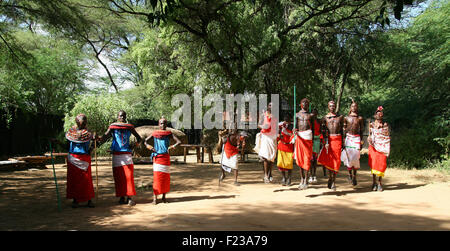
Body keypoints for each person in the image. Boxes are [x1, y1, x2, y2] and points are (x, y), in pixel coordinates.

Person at [98, 110, 142, 206]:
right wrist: (97, 142)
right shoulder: (113, 127)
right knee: (119, 177)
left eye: (124, 116)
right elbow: (105, 137)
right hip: (116, 155)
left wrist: (133, 146)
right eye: (120, 116)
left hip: (126, 155)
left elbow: (139, 138)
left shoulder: (129, 127)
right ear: (117, 117)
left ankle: (129, 197)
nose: (122, 118)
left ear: (125, 117)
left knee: (128, 176)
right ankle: (122, 197)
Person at [144, 117, 181, 204]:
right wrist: (150, 147)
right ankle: (155, 198)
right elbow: (145, 141)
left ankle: (164, 197)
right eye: (161, 123)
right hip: (157, 158)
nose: (163, 125)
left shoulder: (169, 133)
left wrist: (171, 147)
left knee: (165, 178)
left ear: (166, 124)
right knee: (157, 178)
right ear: (158, 124)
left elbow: (178, 141)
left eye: (164, 123)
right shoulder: (155, 133)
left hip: (165, 157)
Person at [63, 114, 96, 208]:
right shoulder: (70, 132)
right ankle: (75, 199)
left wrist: (91, 149)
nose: (83, 124)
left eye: (84, 123)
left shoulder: (89, 133)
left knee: (87, 180)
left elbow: (96, 142)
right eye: (81, 123)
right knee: (74, 180)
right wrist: (57, 142)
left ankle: (89, 199)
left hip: (84, 158)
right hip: (73, 158)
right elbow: (66, 146)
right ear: (77, 122)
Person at [318, 101, 344, 191]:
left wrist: (343, 143)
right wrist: (325, 142)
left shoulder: (340, 117)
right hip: (329, 141)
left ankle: (333, 181)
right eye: (330, 106)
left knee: (336, 160)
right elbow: (322, 131)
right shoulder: (325, 118)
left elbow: (342, 131)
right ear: (328, 107)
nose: (332, 107)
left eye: (333, 106)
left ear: (335, 107)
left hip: (338, 140)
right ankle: (330, 177)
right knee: (330, 161)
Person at [292, 98, 314, 190]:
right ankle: (302, 179)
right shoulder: (297, 115)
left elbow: (313, 128)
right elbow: (295, 126)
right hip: (300, 137)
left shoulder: (311, 115)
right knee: (300, 158)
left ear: (308, 105)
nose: (305, 103)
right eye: (303, 102)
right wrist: (294, 130)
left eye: (307, 102)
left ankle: (306, 180)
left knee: (307, 158)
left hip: (308, 137)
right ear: (300, 104)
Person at [341, 100, 364, 186]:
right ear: (350, 108)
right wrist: (343, 141)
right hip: (348, 138)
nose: (354, 108)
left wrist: (361, 142)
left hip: (356, 139)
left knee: (356, 158)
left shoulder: (360, 118)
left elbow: (361, 130)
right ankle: (350, 175)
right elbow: (344, 130)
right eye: (352, 106)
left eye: (355, 106)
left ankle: (354, 175)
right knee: (349, 158)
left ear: (357, 108)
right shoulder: (346, 118)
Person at [254, 102, 278, 183]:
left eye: (273, 106)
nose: (271, 107)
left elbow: (276, 127)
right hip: (265, 137)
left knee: (271, 158)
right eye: (270, 105)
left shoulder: (275, 117)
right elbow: (258, 124)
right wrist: (263, 126)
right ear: (268, 106)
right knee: (265, 156)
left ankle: (270, 173)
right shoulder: (263, 115)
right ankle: (266, 176)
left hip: (273, 137)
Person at [368, 106, 390, 192]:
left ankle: (380, 182)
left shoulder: (385, 124)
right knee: (374, 164)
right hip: (374, 147)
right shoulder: (371, 124)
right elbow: (370, 135)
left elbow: (386, 137)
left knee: (381, 164)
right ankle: (374, 182)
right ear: (375, 115)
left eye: (381, 114)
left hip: (382, 147)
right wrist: (369, 139)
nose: (379, 115)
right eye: (377, 114)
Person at [276, 116, 294, 186]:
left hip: (289, 146)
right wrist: (279, 135)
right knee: (281, 163)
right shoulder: (280, 125)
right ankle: (284, 177)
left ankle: (289, 178)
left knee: (289, 163)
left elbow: (293, 135)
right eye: (285, 120)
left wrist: (287, 133)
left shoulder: (293, 126)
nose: (286, 121)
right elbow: (277, 134)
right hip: (281, 145)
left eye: (288, 120)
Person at [309, 108, 321, 184]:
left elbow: (321, 131)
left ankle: (314, 174)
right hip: (310, 140)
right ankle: (310, 175)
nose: (314, 114)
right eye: (313, 113)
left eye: (315, 113)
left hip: (317, 140)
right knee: (311, 159)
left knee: (315, 159)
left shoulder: (319, 121)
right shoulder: (309, 121)